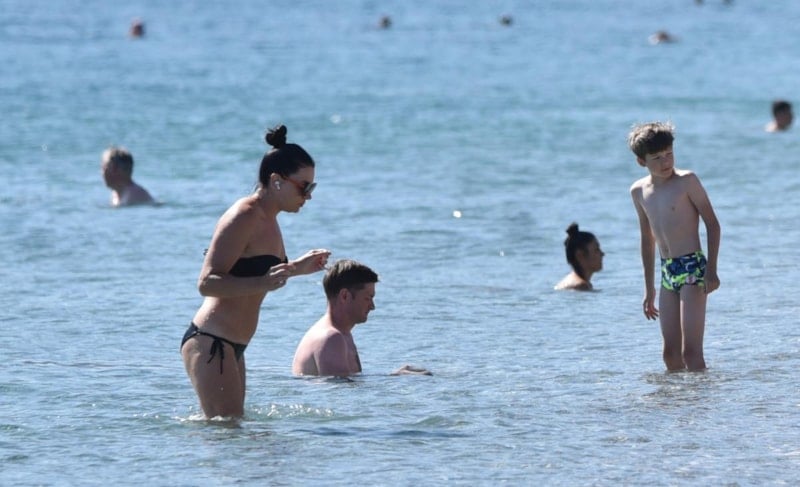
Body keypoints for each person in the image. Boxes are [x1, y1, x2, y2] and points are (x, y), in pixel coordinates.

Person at [181, 125, 331, 418]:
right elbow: (207, 283)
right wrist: (263, 281)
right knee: (227, 432)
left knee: (235, 435)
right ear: (277, 181)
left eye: (312, 188)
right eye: (304, 187)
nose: (308, 196)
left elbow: (255, 274)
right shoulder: (244, 215)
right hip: (211, 340)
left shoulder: (270, 220)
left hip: (233, 344)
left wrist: (296, 269)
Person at [628, 121, 721, 372]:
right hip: (667, 272)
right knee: (670, 355)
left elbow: (713, 224)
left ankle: (702, 396)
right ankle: (677, 398)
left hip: (693, 268)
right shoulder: (638, 191)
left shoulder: (687, 181)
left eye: (669, 153)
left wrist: (711, 270)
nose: (665, 161)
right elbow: (647, 240)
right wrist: (649, 289)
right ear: (641, 161)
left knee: (691, 353)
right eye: (657, 158)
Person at [292, 259, 431, 377]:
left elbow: (349, 387)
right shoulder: (330, 339)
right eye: (368, 298)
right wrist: (393, 380)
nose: (373, 306)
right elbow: (340, 395)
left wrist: (394, 376)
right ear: (345, 296)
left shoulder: (342, 334)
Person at [554, 223, 604, 291]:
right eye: (596, 249)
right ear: (580, 255)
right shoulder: (581, 286)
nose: (602, 254)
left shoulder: (570, 281)